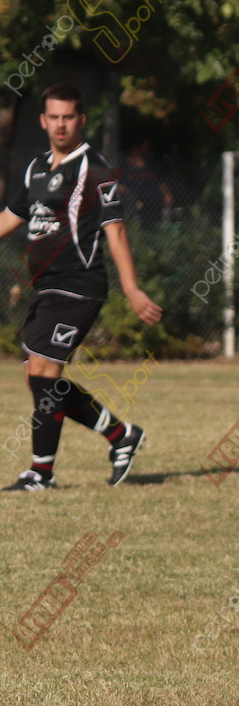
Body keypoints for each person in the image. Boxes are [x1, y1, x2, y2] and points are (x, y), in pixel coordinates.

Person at [0, 83, 159, 492]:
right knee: (39, 379)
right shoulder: (36, 168)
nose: (60, 124)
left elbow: (116, 231)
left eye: (68, 117)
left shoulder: (95, 170)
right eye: (53, 117)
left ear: (81, 120)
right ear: (42, 120)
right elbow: (10, 217)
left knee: (44, 374)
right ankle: (120, 435)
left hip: (78, 286)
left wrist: (132, 288)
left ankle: (41, 473)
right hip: (46, 287)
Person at [117, 139, 174, 226]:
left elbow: (163, 186)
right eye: (146, 147)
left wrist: (167, 198)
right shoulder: (124, 167)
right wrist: (132, 201)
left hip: (154, 206)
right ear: (136, 148)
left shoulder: (155, 166)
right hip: (133, 206)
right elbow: (121, 188)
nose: (148, 150)